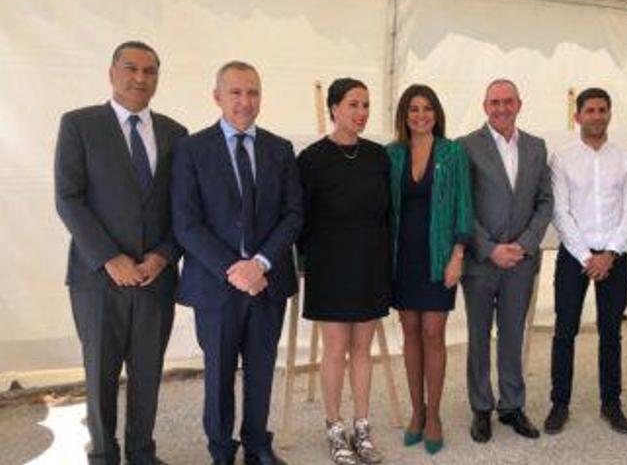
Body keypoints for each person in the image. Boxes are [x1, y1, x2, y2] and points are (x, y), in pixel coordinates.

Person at [54, 41, 186, 465]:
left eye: (150, 71)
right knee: (101, 373)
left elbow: (183, 208)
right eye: (130, 68)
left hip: (155, 276)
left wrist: (163, 256)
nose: (139, 78)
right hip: (97, 278)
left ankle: (142, 453)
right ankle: (105, 456)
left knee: (147, 372)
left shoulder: (175, 134)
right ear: (111, 73)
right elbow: (69, 198)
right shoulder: (79, 125)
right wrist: (111, 258)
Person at [172, 61, 303, 465]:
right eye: (236, 92)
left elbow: (294, 213)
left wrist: (260, 263)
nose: (245, 102)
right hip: (216, 285)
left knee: (262, 368)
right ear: (217, 97)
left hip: (267, 282)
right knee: (219, 372)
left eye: (253, 93)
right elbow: (186, 222)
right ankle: (221, 450)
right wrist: (234, 268)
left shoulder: (279, 150)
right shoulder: (191, 149)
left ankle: (258, 445)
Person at [297, 78, 390, 465]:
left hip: (370, 262)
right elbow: (299, 217)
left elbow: (388, 213)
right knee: (335, 350)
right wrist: (307, 263)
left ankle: (362, 425)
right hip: (330, 266)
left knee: (362, 351)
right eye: (353, 104)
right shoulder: (311, 158)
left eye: (366, 105)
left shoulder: (378, 155)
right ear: (334, 108)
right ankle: (334, 427)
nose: (361, 112)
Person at [459, 79, 553, 443]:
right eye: (494, 102)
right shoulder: (465, 147)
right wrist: (489, 248)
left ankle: (512, 405)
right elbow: (461, 205)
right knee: (479, 336)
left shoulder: (535, 147)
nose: (501, 108)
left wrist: (526, 244)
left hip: (521, 263)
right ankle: (481, 407)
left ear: (519, 104)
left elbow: (545, 202)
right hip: (482, 261)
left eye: (507, 101)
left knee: (513, 335)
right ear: (485, 106)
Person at [544, 88, 627, 435]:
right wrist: (587, 256)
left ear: (610, 114)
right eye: (590, 110)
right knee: (564, 331)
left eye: (602, 110)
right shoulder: (562, 158)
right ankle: (559, 403)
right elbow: (560, 210)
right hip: (574, 257)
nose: (596, 116)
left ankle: (611, 403)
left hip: (614, 257)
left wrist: (609, 254)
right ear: (578, 116)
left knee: (611, 333)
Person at [386, 84, 473, 455]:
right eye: (413, 109)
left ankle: (434, 414)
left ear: (436, 114)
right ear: (404, 115)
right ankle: (416, 412)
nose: (420, 115)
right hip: (402, 257)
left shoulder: (453, 153)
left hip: (440, 256)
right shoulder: (392, 154)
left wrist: (458, 255)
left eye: (427, 109)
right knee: (409, 333)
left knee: (433, 332)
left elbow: (463, 205)